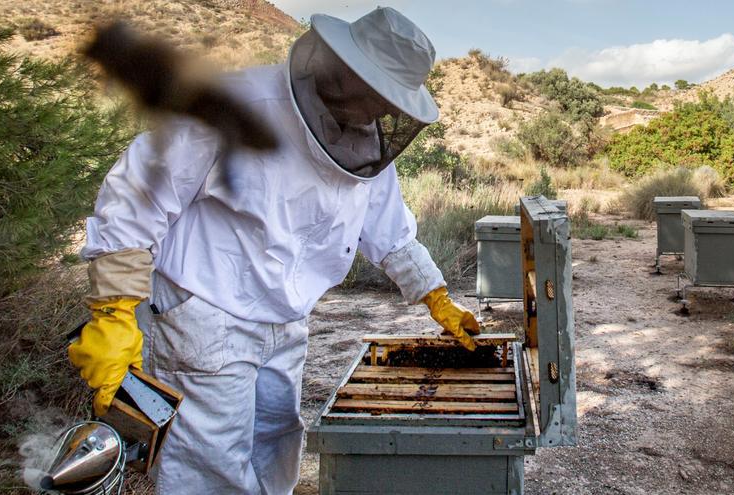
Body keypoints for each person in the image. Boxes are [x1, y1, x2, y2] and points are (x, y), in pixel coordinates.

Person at [67, 7, 480, 494]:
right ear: (344, 72)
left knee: (276, 445)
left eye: (394, 101)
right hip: (204, 315)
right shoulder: (236, 102)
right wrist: (114, 313)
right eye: (380, 96)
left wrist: (435, 295)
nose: (385, 113)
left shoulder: (365, 147)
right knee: (210, 469)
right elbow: (135, 199)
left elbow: (388, 230)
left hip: (285, 320)